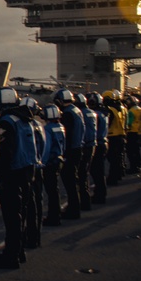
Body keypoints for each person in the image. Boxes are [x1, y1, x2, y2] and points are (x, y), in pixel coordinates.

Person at [0, 87, 37, 269]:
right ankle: (19, 251)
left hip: (12, 175)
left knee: (12, 219)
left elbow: (5, 153)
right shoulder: (26, 120)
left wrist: (0, 174)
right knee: (21, 215)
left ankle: (11, 256)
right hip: (27, 171)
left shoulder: (6, 122)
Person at [54, 89, 85, 218]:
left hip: (71, 150)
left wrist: (64, 154)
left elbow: (68, 136)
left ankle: (73, 210)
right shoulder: (76, 110)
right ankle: (75, 207)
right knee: (74, 180)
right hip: (79, 147)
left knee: (69, 181)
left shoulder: (67, 114)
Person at [24, 97, 45, 249]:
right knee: (37, 203)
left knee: (28, 206)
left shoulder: (24, 126)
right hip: (38, 167)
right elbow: (44, 145)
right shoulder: (39, 125)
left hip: (27, 169)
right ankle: (36, 235)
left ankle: (30, 237)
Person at [40, 104, 66, 226]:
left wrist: (42, 163)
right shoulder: (60, 127)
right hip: (59, 159)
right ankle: (57, 214)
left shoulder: (48, 129)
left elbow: (47, 147)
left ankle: (53, 217)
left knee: (51, 191)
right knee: (55, 190)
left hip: (50, 162)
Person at [76, 93, 96, 211]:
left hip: (84, 146)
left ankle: (84, 202)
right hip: (92, 145)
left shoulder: (80, 114)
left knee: (82, 176)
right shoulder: (92, 112)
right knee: (86, 174)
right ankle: (86, 200)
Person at [87, 93, 109, 204]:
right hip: (104, 142)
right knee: (99, 172)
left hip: (98, 144)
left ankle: (99, 195)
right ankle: (101, 193)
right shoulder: (104, 114)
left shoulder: (96, 115)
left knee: (96, 172)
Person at [104, 90, 127, 186]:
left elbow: (107, 124)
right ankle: (118, 175)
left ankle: (112, 179)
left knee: (112, 159)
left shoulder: (110, 110)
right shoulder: (121, 108)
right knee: (118, 158)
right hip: (121, 135)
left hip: (113, 136)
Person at [125, 94, 141, 174]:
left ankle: (134, 167)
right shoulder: (140, 109)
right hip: (139, 131)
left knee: (131, 151)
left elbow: (129, 122)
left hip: (132, 132)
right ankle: (139, 164)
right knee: (137, 150)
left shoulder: (131, 111)